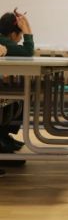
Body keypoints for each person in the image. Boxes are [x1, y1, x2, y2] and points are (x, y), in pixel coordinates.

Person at [0, 10, 34, 160]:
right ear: (13, 34)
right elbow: (28, 51)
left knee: (19, 95)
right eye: (20, 36)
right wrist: (27, 30)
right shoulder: (4, 41)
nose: (20, 39)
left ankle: (3, 136)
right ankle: (2, 137)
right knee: (20, 96)